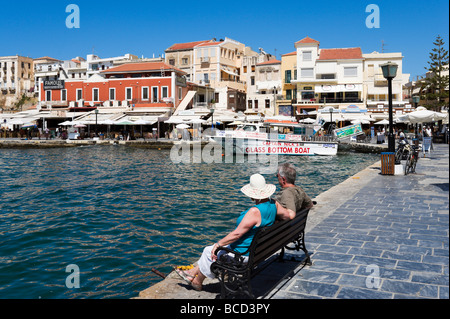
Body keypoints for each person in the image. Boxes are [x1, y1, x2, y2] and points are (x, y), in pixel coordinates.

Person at [175, 174, 277, 291]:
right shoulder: (273, 205)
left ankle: (197, 282)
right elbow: (288, 214)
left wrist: (218, 244)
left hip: (244, 255)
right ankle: (192, 273)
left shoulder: (255, 211)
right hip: (258, 250)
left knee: (209, 251)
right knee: (212, 250)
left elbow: (237, 234)